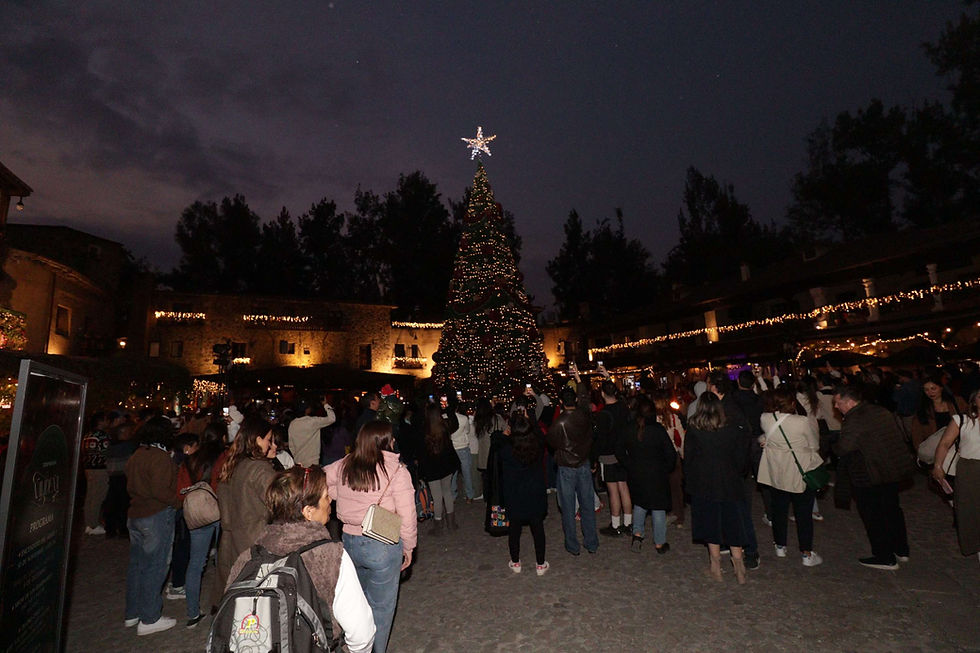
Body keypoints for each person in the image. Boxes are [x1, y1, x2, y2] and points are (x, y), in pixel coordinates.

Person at [226, 466, 376, 652]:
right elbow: (362, 632)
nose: (330, 501)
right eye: (325, 496)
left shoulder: (247, 557)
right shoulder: (329, 557)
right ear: (308, 512)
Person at [325, 421, 417, 653]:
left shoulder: (345, 464)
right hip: (383, 544)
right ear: (385, 441)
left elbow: (323, 481)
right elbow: (407, 513)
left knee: (356, 606)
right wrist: (409, 546)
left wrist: (341, 496)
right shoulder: (396, 470)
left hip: (349, 542)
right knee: (381, 610)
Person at [833, 385, 913, 570]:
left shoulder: (855, 419)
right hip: (890, 470)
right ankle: (901, 549)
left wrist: (834, 448)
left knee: (874, 516)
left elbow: (845, 447)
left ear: (849, 401)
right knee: (892, 511)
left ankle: (884, 557)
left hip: (869, 474)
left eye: (837, 403)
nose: (836, 407)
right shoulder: (879, 410)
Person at [684, 393, 750, 584]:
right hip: (730, 481)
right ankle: (739, 565)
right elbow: (740, 457)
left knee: (710, 523)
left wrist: (690, 481)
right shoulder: (731, 428)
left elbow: (689, 459)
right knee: (733, 522)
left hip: (704, 483)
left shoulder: (695, 429)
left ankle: (716, 566)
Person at [124, 415, 179, 634]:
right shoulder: (159, 457)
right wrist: (177, 502)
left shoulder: (137, 454)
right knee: (156, 566)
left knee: (137, 566)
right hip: (155, 514)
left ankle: (133, 612)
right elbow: (160, 490)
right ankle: (149, 617)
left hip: (136, 513)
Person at [758, 387, 824, 567]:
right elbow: (814, 444)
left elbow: (767, 437)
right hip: (799, 470)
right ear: (792, 402)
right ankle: (806, 553)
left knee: (779, 509)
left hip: (777, 471)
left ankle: (780, 545)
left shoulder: (765, 418)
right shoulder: (801, 421)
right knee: (803, 513)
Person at [215, 415, 278, 595]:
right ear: (257, 439)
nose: (271, 444)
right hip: (254, 541)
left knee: (235, 594)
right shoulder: (260, 468)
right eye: (268, 440)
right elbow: (277, 504)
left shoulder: (234, 463)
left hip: (231, 540)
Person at [545, 363, 599, 556]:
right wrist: (577, 378)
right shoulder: (584, 414)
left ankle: (572, 545)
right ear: (574, 399)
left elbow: (551, 442)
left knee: (567, 508)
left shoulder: (558, 424)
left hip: (567, 467)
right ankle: (591, 542)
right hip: (583, 464)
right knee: (587, 505)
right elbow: (585, 397)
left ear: (560, 402)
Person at [176, 424, 224, 627]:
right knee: (223, 560)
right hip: (220, 510)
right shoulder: (224, 457)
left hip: (197, 512)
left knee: (196, 563)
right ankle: (222, 604)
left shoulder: (190, 460)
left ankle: (192, 612)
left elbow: (180, 490)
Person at [619, 396, 676, 554]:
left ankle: (637, 534)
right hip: (657, 474)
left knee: (640, 504)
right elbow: (670, 454)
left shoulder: (629, 428)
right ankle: (659, 543)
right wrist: (666, 468)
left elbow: (619, 449)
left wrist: (628, 464)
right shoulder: (657, 430)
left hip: (636, 473)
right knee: (658, 508)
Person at [932, 389, 980, 562]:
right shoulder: (962, 420)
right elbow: (944, 443)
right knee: (970, 509)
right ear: (974, 401)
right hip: (970, 469)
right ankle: (976, 545)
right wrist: (938, 466)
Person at [499, 413, 549, 575]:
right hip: (534, 493)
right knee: (538, 528)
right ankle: (540, 564)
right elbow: (542, 437)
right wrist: (532, 420)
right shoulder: (537, 447)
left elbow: (496, 446)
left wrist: (504, 435)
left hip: (515, 495)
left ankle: (515, 562)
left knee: (514, 529)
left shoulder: (507, 450)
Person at [593, 372, 633, 536]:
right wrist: (608, 377)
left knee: (613, 490)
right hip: (624, 453)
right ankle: (629, 523)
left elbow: (600, 440)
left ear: (602, 394)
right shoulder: (624, 407)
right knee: (624, 487)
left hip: (609, 456)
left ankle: (616, 525)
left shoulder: (603, 415)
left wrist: (594, 458)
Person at [418, 403, 460, 533]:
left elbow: (421, 453)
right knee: (447, 492)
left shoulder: (424, 430)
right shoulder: (444, 427)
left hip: (432, 468)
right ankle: (451, 523)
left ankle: (438, 526)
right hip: (446, 465)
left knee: (436, 497)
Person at [654, 390, 687, 528]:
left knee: (665, 487)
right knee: (675, 488)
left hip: (660, 457)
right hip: (673, 455)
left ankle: (668, 514)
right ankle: (678, 516)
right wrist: (683, 454)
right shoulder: (674, 417)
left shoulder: (655, 419)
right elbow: (680, 438)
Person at [82, 411, 110, 535]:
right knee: (98, 496)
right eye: (105, 419)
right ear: (100, 421)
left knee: (90, 496)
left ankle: (89, 522)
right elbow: (107, 452)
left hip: (88, 467)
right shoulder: (103, 436)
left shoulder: (88, 434)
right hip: (100, 468)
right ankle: (93, 524)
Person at [288, 396, 337, 467]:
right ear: (307, 409)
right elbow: (332, 418)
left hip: (298, 462)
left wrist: (297, 456)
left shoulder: (292, 424)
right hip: (312, 463)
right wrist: (325, 404)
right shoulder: (313, 422)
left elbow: (291, 446)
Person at [474, 398, 507, 495]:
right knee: (497, 478)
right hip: (496, 451)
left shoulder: (478, 421)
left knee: (486, 477)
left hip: (484, 453)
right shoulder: (497, 418)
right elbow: (506, 431)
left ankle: (487, 496)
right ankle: (497, 497)